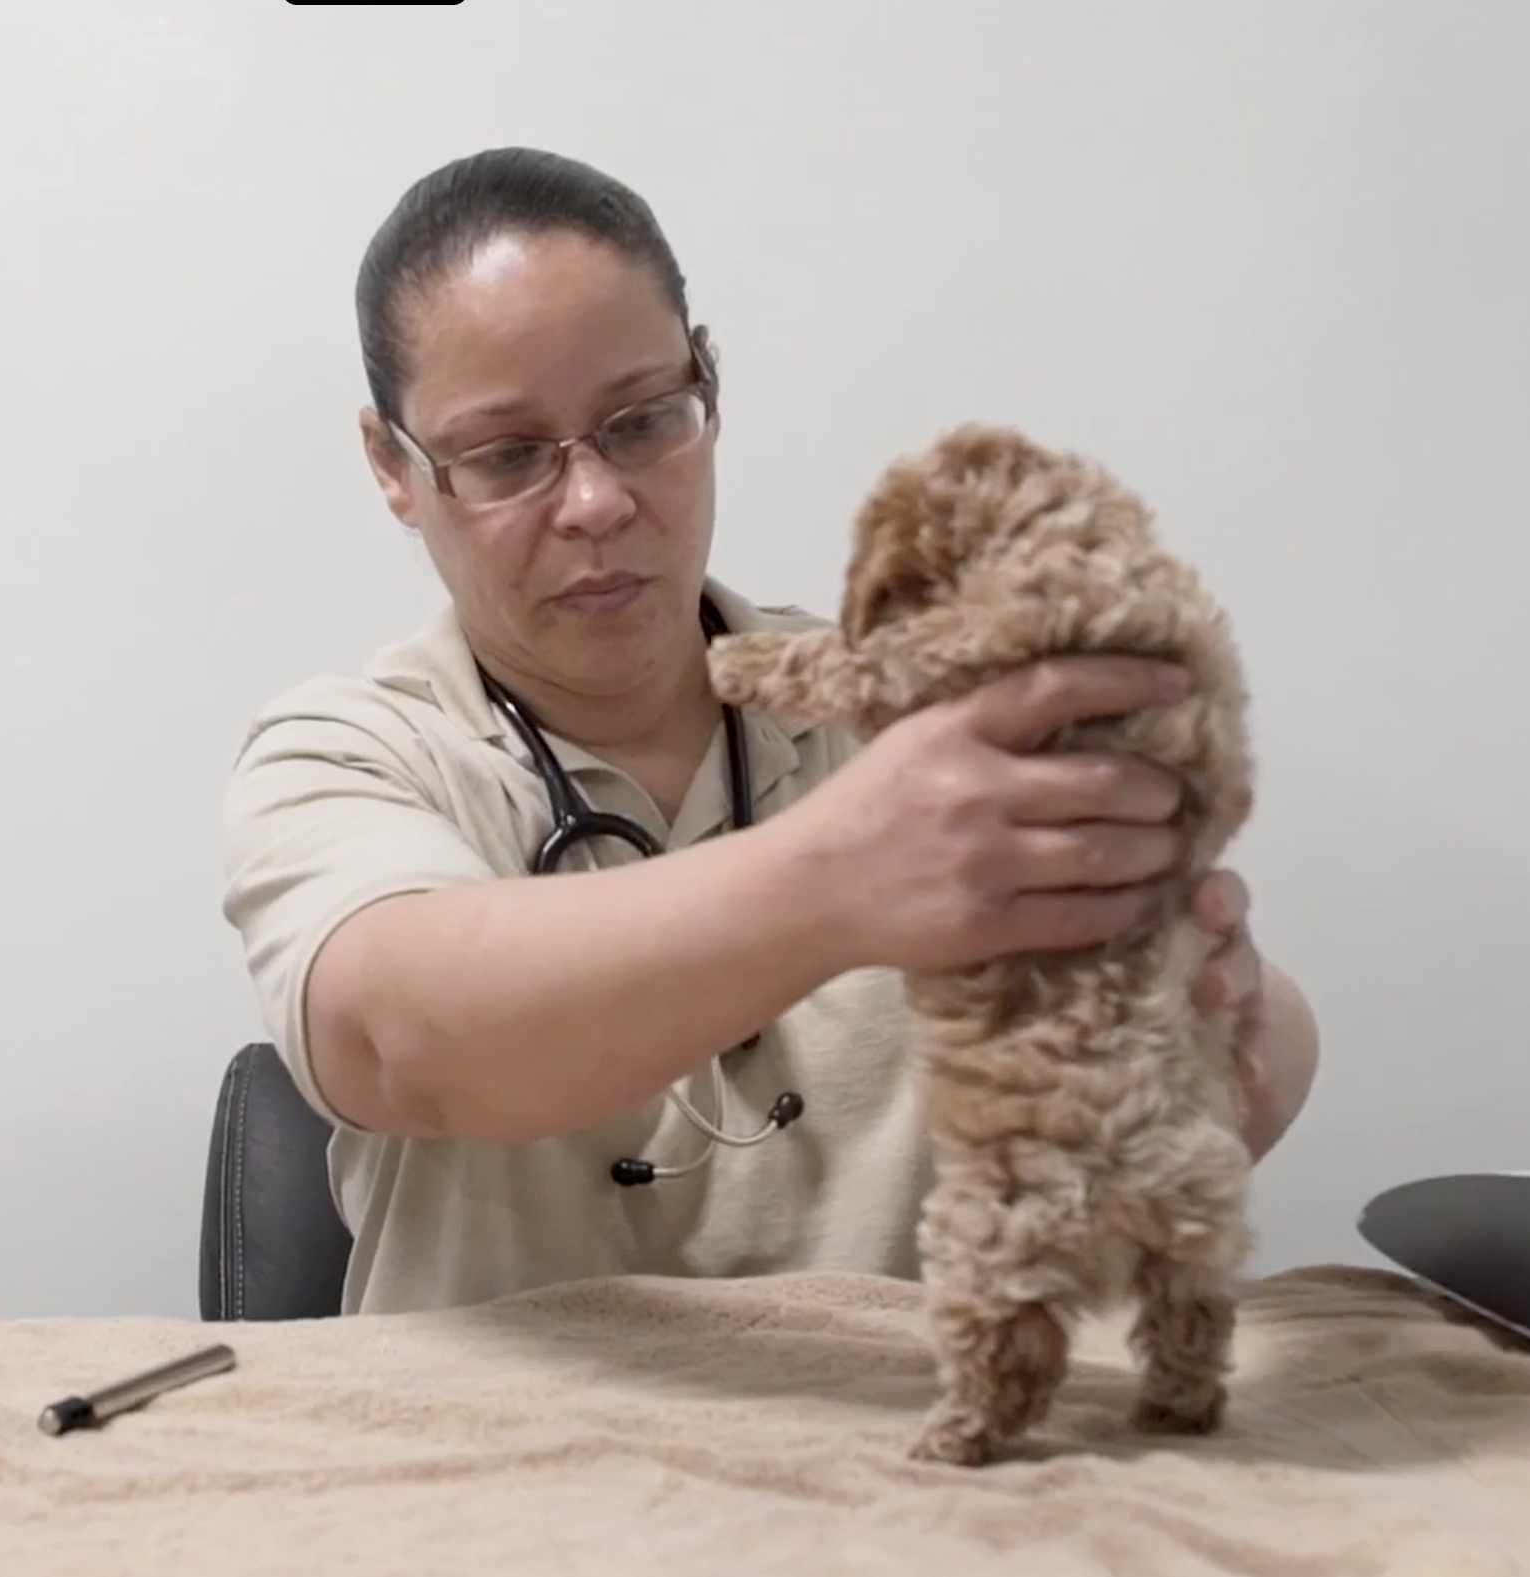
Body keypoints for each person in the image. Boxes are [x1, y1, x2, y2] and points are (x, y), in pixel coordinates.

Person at [217, 146, 1322, 1318]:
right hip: (507, 1483)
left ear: (708, 386)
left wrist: (1224, 1024)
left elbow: (1214, 1083)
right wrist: (847, 874)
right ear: (392, 465)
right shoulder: (344, 753)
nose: (595, 502)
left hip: (901, 1470)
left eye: (641, 421)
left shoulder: (919, 708)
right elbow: (406, 1040)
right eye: (505, 457)